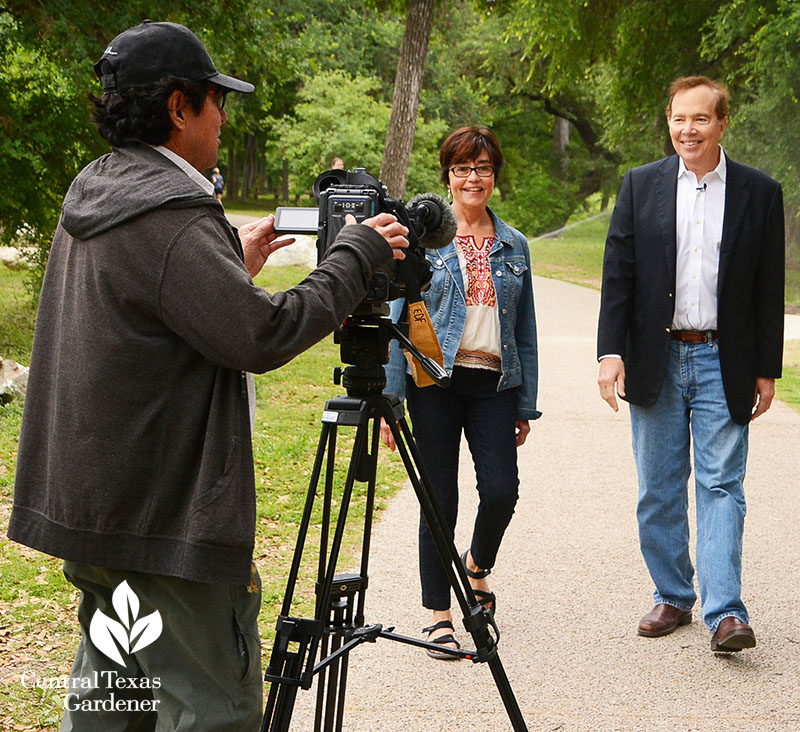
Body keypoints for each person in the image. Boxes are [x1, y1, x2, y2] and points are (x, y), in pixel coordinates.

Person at [7, 20, 408, 731]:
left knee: (111, 704)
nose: (224, 116)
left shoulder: (102, 188)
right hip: (167, 524)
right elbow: (264, 334)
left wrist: (224, 262)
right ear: (177, 106)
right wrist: (353, 256)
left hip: (100, 511)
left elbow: (149, 312)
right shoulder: (170, 215)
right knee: (211, 712)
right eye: (214, 99)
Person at [597, 76, 784, 653]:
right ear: (669, 121)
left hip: (723, 357)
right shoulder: (641, 185)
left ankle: (726, 613)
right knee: (658, 487)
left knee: (722, 484)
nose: (688, 130)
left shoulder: (759, 192)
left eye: (700, 119)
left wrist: (766, 367)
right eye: (679, 119)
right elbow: (618, 276)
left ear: (723, 123)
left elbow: (767, 287)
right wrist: (610, 352)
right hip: (657, 355)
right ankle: (673, 596)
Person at [381, 126, 541, 659]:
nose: (473, 178)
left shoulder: (513, 243)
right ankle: (439, 615)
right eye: (462, 169)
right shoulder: (422, 236)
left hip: (494, 384)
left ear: (494, 175)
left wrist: (525, 403)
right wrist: (389, 398)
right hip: (434, 383)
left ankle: (476, 566)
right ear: (447, 176)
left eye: (483, 168)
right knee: (438, 499)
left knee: (501, 492)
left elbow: (525, 331)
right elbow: (395, 319)